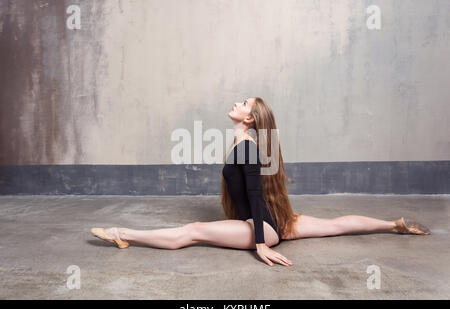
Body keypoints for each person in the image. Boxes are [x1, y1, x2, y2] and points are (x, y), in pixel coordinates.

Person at [91, 97, 430, 267]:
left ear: (249, 118)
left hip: (263, 225)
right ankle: (393, 225)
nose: (236, 103)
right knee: (335, 225)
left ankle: (123, 234)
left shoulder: (248, 148)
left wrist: (261, 243)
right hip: (272, 220)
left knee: (192, 230)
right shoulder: (245, 144)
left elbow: (254, 194)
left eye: (243, 103)